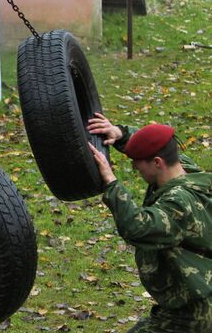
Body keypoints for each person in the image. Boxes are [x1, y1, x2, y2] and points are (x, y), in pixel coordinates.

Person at [87, 112, 212, 332]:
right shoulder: (186, 170)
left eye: (138, 165)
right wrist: (121, 134)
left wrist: (111, 183)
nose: (136, 169)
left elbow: (137, 227)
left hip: (195, 314)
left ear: (157, 163)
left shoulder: (179, 203)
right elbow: (157, 141)